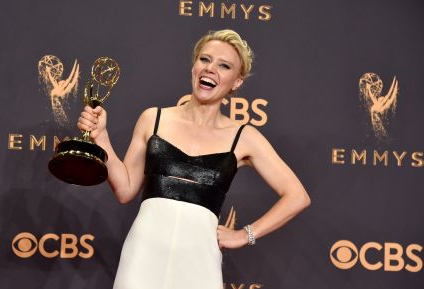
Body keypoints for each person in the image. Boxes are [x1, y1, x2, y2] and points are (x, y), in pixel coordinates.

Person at [77, 29, 310, 289]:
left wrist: (246, 235)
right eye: (204, 59)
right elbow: (125, 190)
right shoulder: (153, 119)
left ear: (237, 82)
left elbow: (297, 196)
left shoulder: (244, 137)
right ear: (193, 67)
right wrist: (102, 139)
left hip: (199, 263)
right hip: (142, 256)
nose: (210, 69)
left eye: (224, 65)